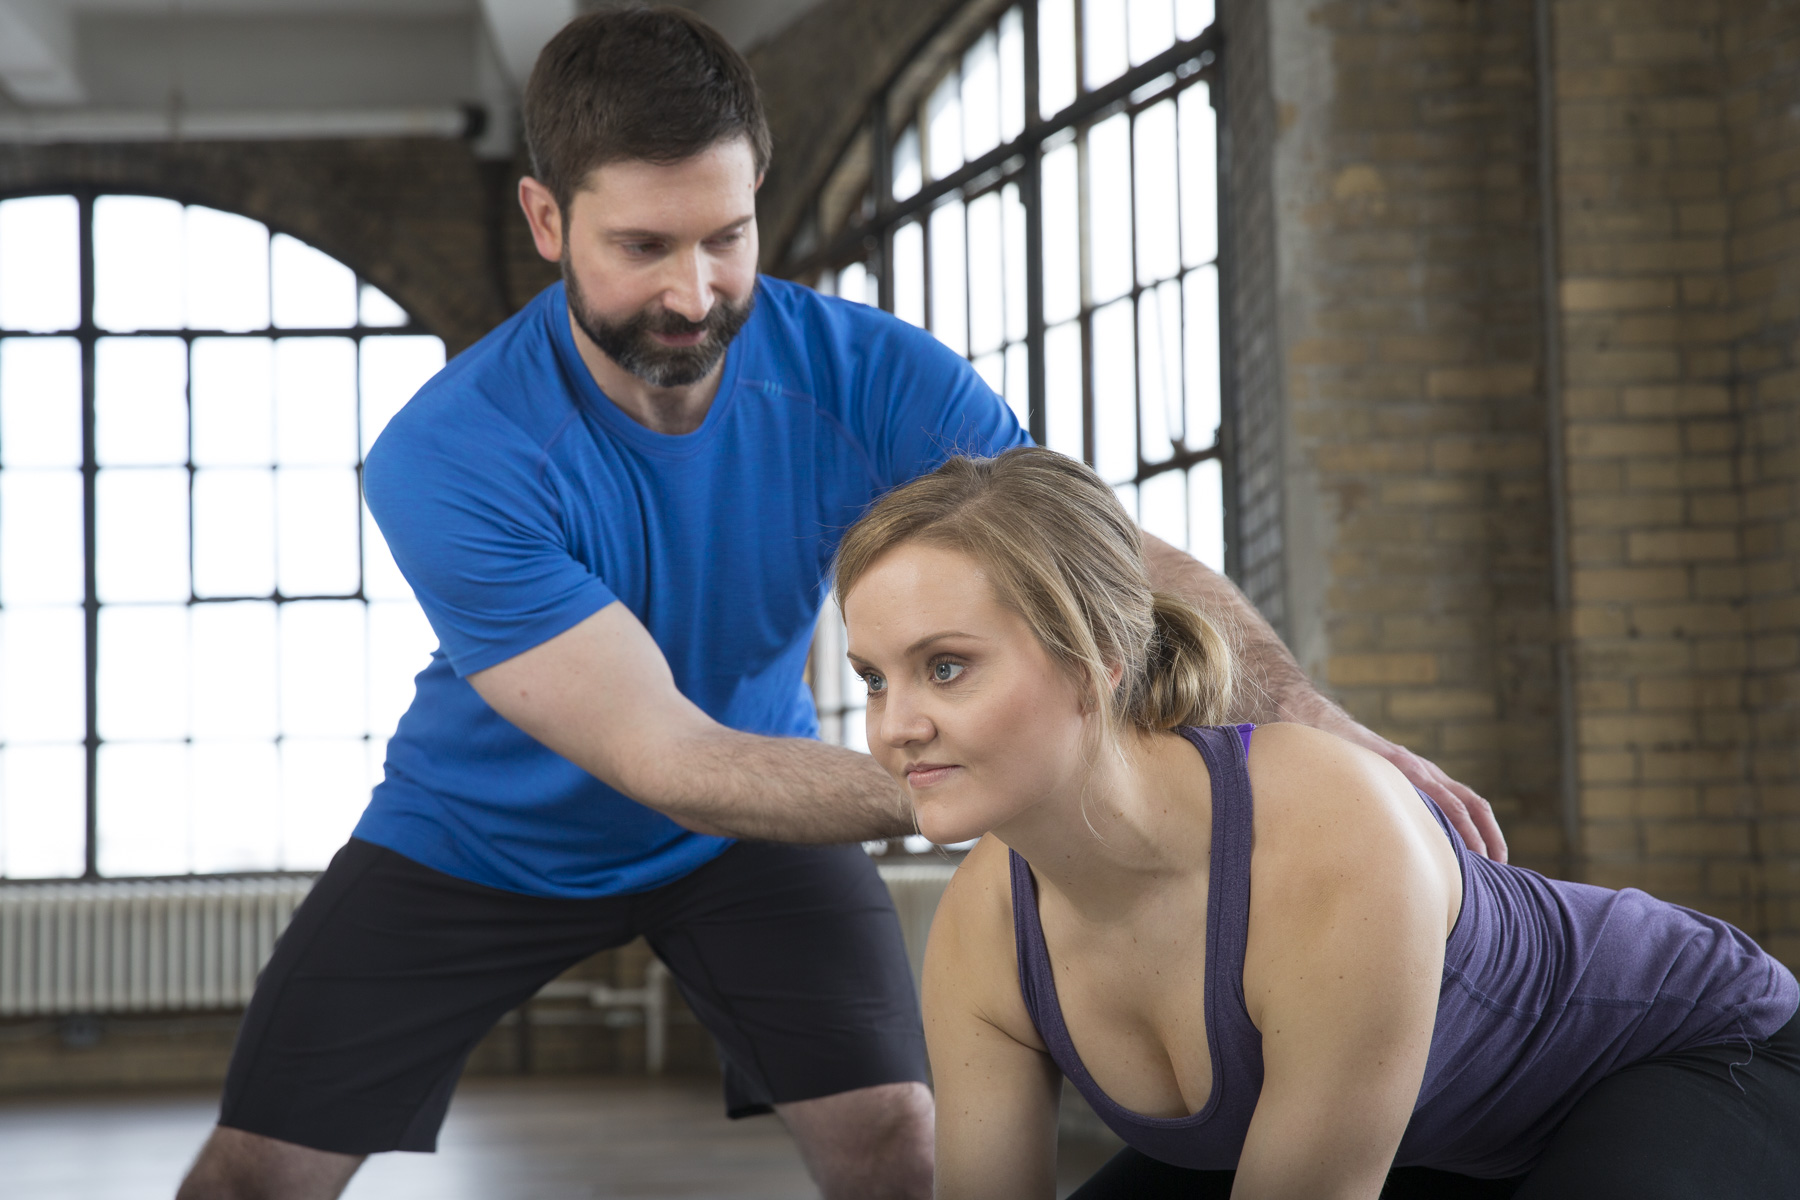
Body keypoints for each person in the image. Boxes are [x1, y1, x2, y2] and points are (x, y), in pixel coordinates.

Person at [176, 10, 1505, 1200]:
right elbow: (667, 758)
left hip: (749, 833)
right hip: (478, 838)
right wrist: (1008, 771)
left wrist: (1320, 732)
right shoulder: (451, 453)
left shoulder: (868, 375)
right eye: (643, 247)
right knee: (257, 1175)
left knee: (894, 1140)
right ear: (545, 220)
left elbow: (1110, 560)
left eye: (725, 237)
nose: (694, 292)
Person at [835, 446, 1800, 1200]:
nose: (894, 725)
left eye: (946, 667)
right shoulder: (984, 932)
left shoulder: (1329, 834)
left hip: (1695, 1060)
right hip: (1435, 1134)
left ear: (1094, 662)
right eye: (874, 679)